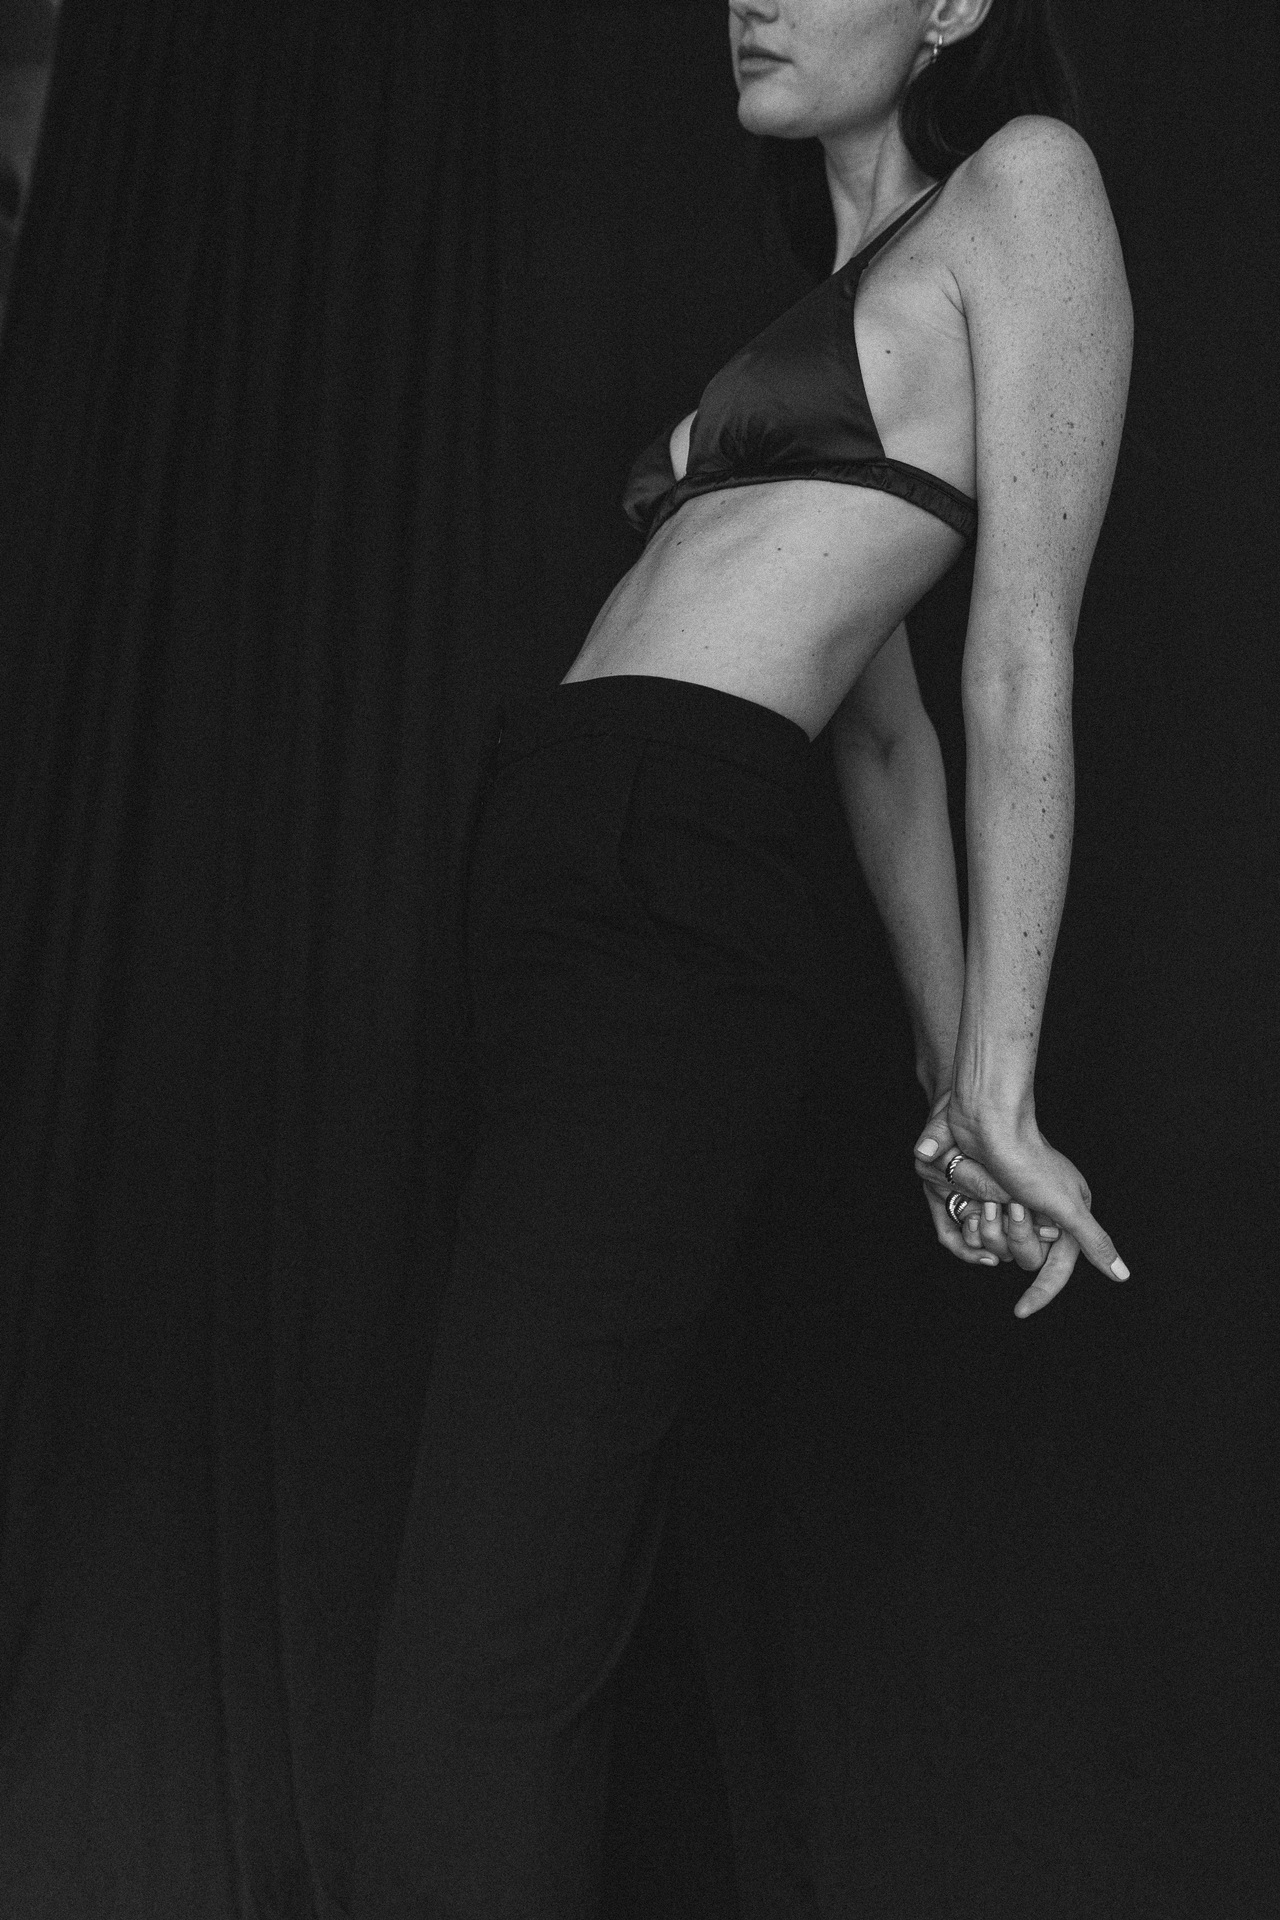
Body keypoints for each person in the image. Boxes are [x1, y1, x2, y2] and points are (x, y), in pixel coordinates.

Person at [349, 2, 1134, 1914]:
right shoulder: (849, 287)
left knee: (495, 1585)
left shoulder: (1025, 191)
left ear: (952, 2)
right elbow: (881, 741)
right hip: (573, 865)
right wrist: (941, 1073)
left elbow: (1016, 659)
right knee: (541, 1527)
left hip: (667, 877)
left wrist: (1006, 1078)